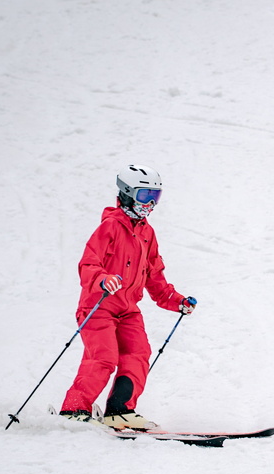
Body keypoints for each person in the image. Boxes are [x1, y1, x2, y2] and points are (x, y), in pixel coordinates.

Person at [58, 165, 196, 430]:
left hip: (128, 309)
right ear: (128, 194)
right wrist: (102, 280)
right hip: (98, 306)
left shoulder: (147, 233)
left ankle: (120, 410)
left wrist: (176, 300)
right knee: (103, 357)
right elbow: (88, 264)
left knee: (138, 353)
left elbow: (155, 278)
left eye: (156, 197)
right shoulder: (109, 227)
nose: (151, 204)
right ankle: (74, 409)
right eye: (145, 196)